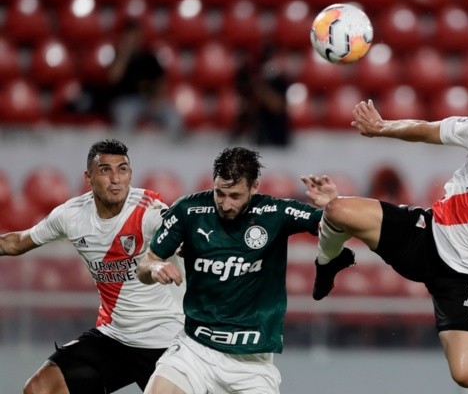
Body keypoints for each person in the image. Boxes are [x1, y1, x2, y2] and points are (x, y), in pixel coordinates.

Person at [303, 71, 468, 388]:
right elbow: (427, 130)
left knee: (467, 376)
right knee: (337, 209)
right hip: (427, 234)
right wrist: (381, 127)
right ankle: (327, 262)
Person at [137, 147, 346, 393]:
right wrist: (155, 267)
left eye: (235, 195)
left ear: (254, 186)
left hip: (251, 364)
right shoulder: (189, 211)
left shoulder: (275, 213)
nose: (225, 204)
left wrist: (335, 205)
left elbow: (338, 228)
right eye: (220, 193)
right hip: (194, 350)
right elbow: (145, 264)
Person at [0, 139, 184, 393]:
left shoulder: (148, 211)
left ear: (130, 174)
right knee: (39, 389)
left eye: (122, 169)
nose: (116, 178)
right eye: (105, 170)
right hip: (113, 337)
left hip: (166, 342)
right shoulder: (71, 216)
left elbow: (178, 236)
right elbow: (15, 243)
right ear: (89, 177)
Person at [108, 20, 183, 136]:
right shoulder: (118, 56)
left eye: (137, 35)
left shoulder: (149, 58)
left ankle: (172, 152)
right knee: (124, 117)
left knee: (173, 116)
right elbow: (114, 78)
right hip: (126, 101)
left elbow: (161, 82)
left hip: (149, 101)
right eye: (131, 36)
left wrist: (158, 98)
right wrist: (125, 54)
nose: (134, 39)